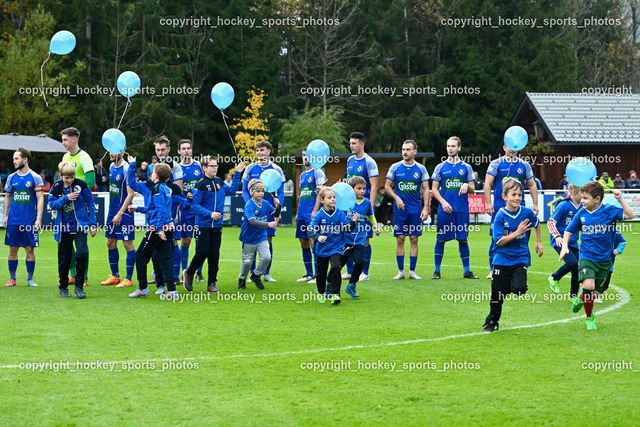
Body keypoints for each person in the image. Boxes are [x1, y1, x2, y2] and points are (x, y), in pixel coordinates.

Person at [560, 184, 634, 330]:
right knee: (588, 285)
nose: (582, 201)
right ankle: (590, 318)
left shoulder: (609, 211)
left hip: (605, 261)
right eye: (582, 198)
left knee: (594, 293)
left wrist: (621, 200)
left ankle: (582, 298)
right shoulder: (581, 213)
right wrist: (564, 247)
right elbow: (569, 231)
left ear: (597, 199)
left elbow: (630, 215)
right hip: (587, 257)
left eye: (586, 198)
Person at [483, 178, 543, 332]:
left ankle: (504, 289)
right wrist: (518, 233)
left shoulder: (527, 212)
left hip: (520, 257)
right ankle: (491, 322)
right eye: (513, 195)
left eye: (519, 194)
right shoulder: (500, 216)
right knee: (497, 297)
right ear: (504, 197)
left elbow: (536, 224)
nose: (517, 198)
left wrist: (538, 242)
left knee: (520, 289)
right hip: (501, 259)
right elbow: (499, 242)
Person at [183, 156, 244, 293]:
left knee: (214, 255)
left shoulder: (219, 182)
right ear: (204, 168)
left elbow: (232, 191)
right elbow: (194, 205)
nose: (215, 168)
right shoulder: (200, 184)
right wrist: (209, 213)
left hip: (217, 226)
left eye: (216, 166)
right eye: (212, 166)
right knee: (202, 252)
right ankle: (190, 272)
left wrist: (238, 172)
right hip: (203, 225)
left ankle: (211, 283)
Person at [484, 143, 538, 279]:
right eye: (509, 146)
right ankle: (493, 268)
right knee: (496, 239)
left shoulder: (525, 165)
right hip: (499, 209)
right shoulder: (496, 164)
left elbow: (531, 184)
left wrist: (536, 204)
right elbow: (487, 183)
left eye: (515, 146)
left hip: (519, 210)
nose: (512, 149)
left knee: (522, 238)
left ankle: (520, 267)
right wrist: (488, 203)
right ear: (504, 148)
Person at [126, 160, 177, 300]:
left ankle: (143, 288)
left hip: (157, 229)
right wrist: (138, 209)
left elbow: (160, 210)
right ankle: (172, 291)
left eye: (153, 172)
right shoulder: (166, 188)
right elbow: (154, 209)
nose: (151, 174)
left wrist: (158, 229)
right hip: (169, 227)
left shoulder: (156, 189)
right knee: (166, 258)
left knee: (140, 255)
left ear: (156, 175)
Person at [431, 136, 479, 280]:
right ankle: (437, 271)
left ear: (459, 148)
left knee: (463, 240)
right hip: (445, 209)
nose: (450, 148)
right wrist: (443, 202)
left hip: (462, 209)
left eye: (453, 146)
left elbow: (473, 189)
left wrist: (467, 186)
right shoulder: (440, 167)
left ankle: (467, 271)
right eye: (448, 146)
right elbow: (434, 189)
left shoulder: (466, 167)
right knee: (441, 239)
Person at [48, 162, 97, 299]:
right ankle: (63, 287)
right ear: (61, 175)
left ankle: (79, 286)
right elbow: (51, 204)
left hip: (80, 226)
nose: (69, 180)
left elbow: (91, 203)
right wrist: (65, 198)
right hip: (63, 227)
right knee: (64, 258)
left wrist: (92, 224)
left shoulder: (81, 185)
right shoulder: (57, 187)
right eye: (66, 177)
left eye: (71, 177)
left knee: (82, 253)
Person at [385, 140, 430, 280]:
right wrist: (397, 198)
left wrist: (425, 208)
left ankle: (412, 272)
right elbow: (387, 187)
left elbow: (426, 189)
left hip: (415, 210)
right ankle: (400, 272)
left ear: (414, 152)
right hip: (400, 210)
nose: (405, 152)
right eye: (403, 149)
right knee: (400, 239)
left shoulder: (421, 169)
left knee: (414, 239)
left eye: (408, 149)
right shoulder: (395, 167)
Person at [241, 140, 285, 282]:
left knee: (268, 240)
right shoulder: (250, 168)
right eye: (257, 151)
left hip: (269, 211)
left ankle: (266, 273)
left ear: (269, 151)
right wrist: (250, 204)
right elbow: (244, 190)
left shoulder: (276, 169)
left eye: (262, 150)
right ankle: (252, 273)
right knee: (252, 241)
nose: (260, 153)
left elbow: (281, 191)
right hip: (254, 211)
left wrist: (278, 209)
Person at [309, 187, 358, 305]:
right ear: (322, 200)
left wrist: (353, 221)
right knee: (321, 273)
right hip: (322, 249)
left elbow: (348, 229)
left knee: (336, 267)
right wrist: (317, 237)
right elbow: (310, 229)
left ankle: (335, 294)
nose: (333, 199)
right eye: (329, 197)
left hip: (336, 247)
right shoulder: (320, 215)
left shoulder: (340, 213)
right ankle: (321, 293)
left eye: (334, 197)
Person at [3, 148, 44, 287]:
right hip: (14, 220)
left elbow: (40, 198)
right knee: (12, 249)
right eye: (14, 159)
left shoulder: (35, 177)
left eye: (16, 158)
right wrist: (5, 216)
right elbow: (7, 196)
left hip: (29, 220)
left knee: (29, 249)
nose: (14, 161)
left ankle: (30, 279)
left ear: (25, 159)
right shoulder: (11, 177)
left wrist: (38, 218)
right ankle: (12, 278)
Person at [61, 127, 95, 286]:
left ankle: (84, 277)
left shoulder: (85, 157)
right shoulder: (65, 157)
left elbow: (92, 183)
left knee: (81, 245)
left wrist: (77, 194)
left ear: (74, 139)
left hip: (80, 208)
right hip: (67, 208)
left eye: (65, 139)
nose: (63, 143)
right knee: (67, 243)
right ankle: (73, 275)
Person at [344, 132, 379, 281]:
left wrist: (369, 207)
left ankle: (365, 272)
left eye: (354, 143)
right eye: (350, 143)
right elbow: (347, 184)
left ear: (362, 144)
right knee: (348, 237)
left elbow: (375, 186)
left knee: (364, 240)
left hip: (364, 206)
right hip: (350, 207)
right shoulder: (350, 160)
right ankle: (350, 271)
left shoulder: (369, 162)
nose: (351, 146)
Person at [99, 150, 136, 288]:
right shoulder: (110, 167)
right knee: (110, 242)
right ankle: (115, 276)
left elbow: (131, 194)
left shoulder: (127, 169)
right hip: (112, 211)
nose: (111, 153)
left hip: (124, 213)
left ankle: (128, 278)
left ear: (123, 151)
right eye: (110, 150)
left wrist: (120, 213)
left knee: (127, 244)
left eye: (115, 151)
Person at [238, 179, 281, 291]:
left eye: (262, 191)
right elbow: (252, 221)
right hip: (248, 238)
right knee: (247, 263)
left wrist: (278, 206)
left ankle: (256, 275)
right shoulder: (249, 205)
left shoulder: (266, 204)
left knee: (266, 257)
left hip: (261, 237)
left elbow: (275, 214)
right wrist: (268, 224)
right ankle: (242, 279)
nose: (261, 193)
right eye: (258, 191)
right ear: (252, 192)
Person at [342, 176, 379, 298]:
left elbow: (371, 215)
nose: (362, 191)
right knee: (338, 265)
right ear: (352, 189)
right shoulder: (345, 201)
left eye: (364, 188)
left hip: (359, 239)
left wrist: (376, 226)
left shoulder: (367, 203)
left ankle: (351, 286)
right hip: (346, 239)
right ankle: (329, 284)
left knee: (359, 263)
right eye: (359, 188)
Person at [295, 148, 326, 282]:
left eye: (307, 155)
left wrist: (315, 210)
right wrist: (297, 213)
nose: (305, 158)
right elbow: (302, 196)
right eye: (303, 155)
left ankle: (318, 274)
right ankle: (308, 273)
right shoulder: (302, 175)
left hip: (312, 214)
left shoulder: (318, 172)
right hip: (302, 213)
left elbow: (321, 193)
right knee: (304, 243)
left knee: (314, 242)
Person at [177, 139, 204, 282]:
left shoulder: (199, 166)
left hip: (199, 209)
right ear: (179, 151)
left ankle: (199, 272)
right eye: (183, 148)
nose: (186, 150)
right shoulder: (177, 168)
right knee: (186, 240)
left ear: (191, 150)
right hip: (185, 210)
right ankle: (185, 271)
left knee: (201, 242)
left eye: (188, 148)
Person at [547, 184, 581, 297]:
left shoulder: (582, 207)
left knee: (578, 267)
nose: (585, 194)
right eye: (583, 192)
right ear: (575, 192)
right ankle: (554, 277)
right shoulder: (563, 205)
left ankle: (573, 296)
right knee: (573, 263)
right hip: (560, 241)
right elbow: (551, 222)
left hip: (573, 242)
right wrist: (557, 236)